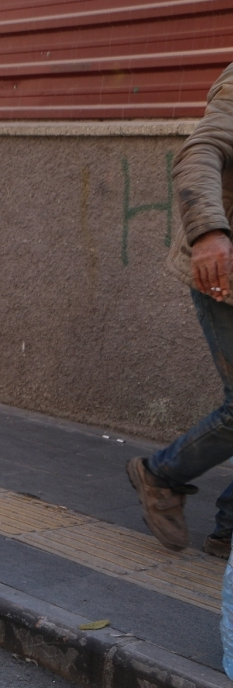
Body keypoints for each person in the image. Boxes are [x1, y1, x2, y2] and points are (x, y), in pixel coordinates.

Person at [128, 61, 233, 559]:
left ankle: (229, 528)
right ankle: (159, 475)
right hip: (223, 275)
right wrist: (209, 233)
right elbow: (200, 152)